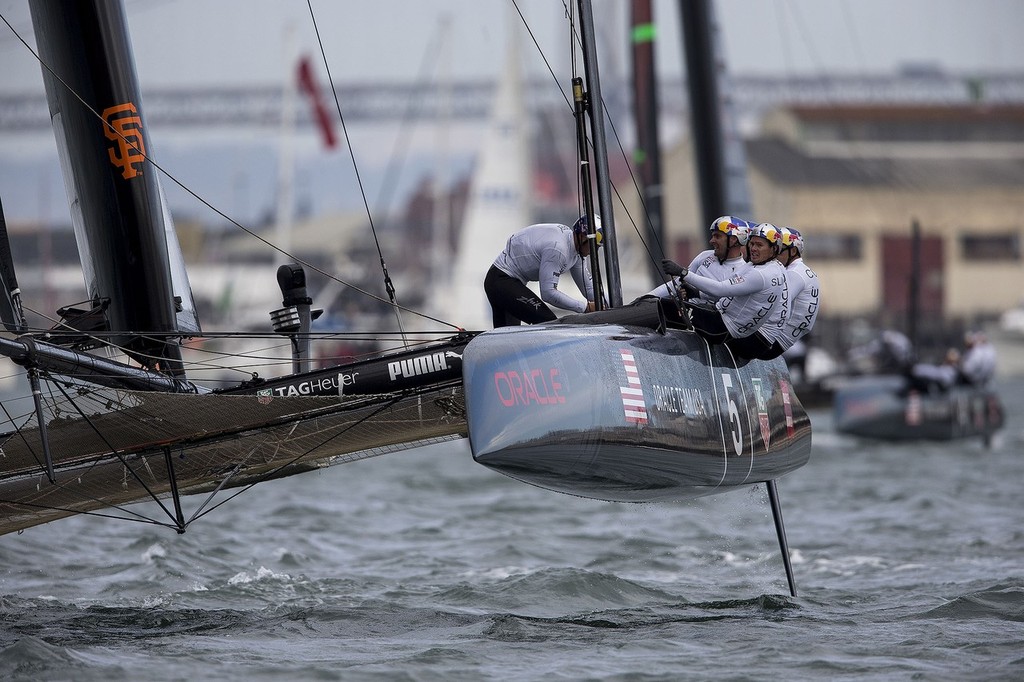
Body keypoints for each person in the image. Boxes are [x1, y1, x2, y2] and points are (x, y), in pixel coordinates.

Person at [661, 222, 789, 352]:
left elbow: (720, 289)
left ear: (774, 249)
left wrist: (683, 273)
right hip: (725, 322)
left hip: (721, 327)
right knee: (674, 307)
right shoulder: (772, 266)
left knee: (663, 307)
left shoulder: (760, 274)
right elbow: (728, 291)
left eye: (759, 245)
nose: (753, 248)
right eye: (752, 243)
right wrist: (696, 293)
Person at [484, 215, 601, 328]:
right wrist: (585, 307)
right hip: (501, 281)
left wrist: (612, 303)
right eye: (595, 246)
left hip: (504, 282)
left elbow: (590, 290)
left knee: (509, 341)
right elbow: (548, 294)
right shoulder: (558, 249)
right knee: (550, 325)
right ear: (583, 237)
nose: (595, 251)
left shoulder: (575, 250)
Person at [647, 215, 753, 306]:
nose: (711, 241)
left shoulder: (743, 272)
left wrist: (691, 286)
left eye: (717, 236)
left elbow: (724, 303)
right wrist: (647, 298)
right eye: (712, 236)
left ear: (733, 240)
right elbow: (677, 283)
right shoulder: (705, 255)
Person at [774, 227, 820, 361]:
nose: (774, 253)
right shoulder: (803, 270)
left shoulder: (793, 273)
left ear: (793, 251)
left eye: (778, 249)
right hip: (794, 341)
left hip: (781, 342)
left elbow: (776, 304)